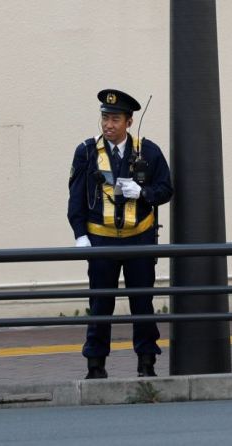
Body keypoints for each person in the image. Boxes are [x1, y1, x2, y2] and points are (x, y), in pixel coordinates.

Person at [68, 89, 173, 379]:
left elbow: (166, 189)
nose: (108, 125)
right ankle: (95, 364)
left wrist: (144, 193)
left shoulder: (148, 151)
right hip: (100, 238)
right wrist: (80, 235)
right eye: (105, 118)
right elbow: (76, 197)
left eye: (115, 119)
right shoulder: (87, 152)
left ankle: (146, 362)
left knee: (142, 301)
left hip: (139, 237)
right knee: (100, 303)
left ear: (129, 121)